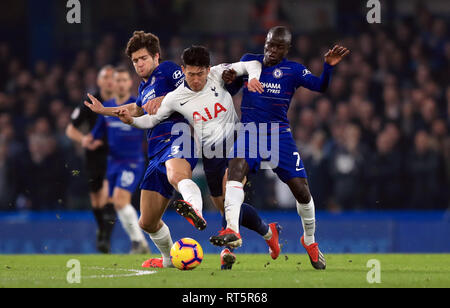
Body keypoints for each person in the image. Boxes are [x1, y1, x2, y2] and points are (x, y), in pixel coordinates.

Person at [116, 45, 282, 270]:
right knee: (227, 207)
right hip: (211, 155)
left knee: (231, 191)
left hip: (237, 143)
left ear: (208, 69)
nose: (196, 79)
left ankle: (226, 251)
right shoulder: (176, 97)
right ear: (183, 70)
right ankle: (268, 231)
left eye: (200, 73)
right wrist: (132, 121)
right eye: (191, 74)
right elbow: (151, 120)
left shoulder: (219, 74)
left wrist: (252, 78)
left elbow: (252, 64)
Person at [212, 26, 349, 270]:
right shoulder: (248, 62)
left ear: (287, 49)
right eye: (270, 44)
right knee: (234, 174)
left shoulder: (293, 70)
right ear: (264, 42)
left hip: (279, 136)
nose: (272, 50)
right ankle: (231, 233)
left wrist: (328, 66)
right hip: (250, 133)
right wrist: (229, 81)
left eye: (279, 46)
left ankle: (310, 241)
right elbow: (231, 89)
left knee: (302, 191)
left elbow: (320, 86)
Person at [84, 31, 200, 268]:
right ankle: (168, 260)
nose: (139, 64)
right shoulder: (145, 87)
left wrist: (166, 98)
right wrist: (104, 110)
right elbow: (136, 109)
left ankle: (194, 209)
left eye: (143, 58)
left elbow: (191, 89)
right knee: (146, 222)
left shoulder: (167, 70)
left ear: (156, 56)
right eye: (135, 61)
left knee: (177, 175)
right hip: (156, 151)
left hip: (178, 137)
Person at [86, 66, 150, 254]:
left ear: (130, 83)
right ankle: (140, 244)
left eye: (124, 80)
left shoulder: (136, 106)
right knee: (115, 203)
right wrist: (90, 141)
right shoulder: (108, 110)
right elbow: (96, 135)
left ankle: (139, 243)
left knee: (121, 201)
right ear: (112, 84)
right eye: (118, 81)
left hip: (132, 163)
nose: (121, 84)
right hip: (113, 164)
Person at [66, 65, 117, 253]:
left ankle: (105, 238)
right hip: (93, 156)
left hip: (115, 155)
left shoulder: (122, 100)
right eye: (105, 77)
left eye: (113, 77)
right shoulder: (89, 101)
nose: (109, 80)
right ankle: (102, 231)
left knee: (108, 196)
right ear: (99, 80)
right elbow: (70, 129)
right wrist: (84, 139)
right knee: (96, 200)